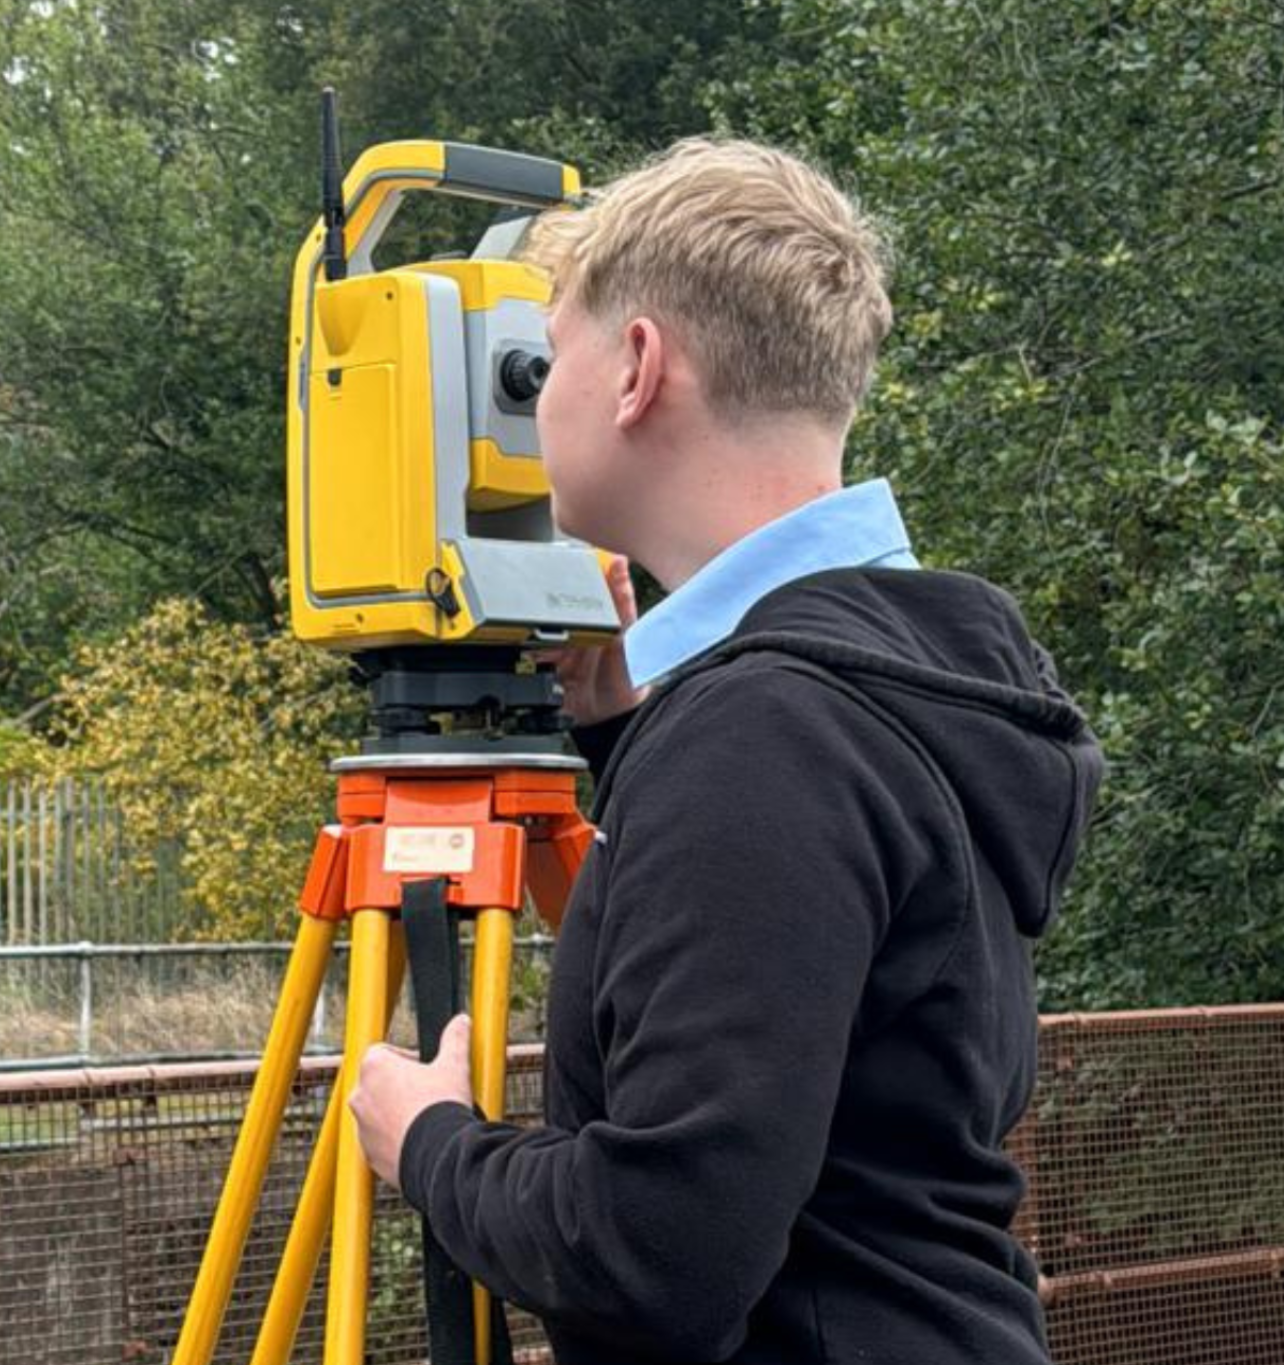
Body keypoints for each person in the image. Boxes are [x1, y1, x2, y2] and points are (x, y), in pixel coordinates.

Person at [349, 137, 1103, 1365]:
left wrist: (435, 1145)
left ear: (638, 367)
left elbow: (657, 1252)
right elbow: (844, 1057)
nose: (535, 407)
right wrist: (633, 737)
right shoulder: (887, 683)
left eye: (550, 357)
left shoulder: (764, 737)